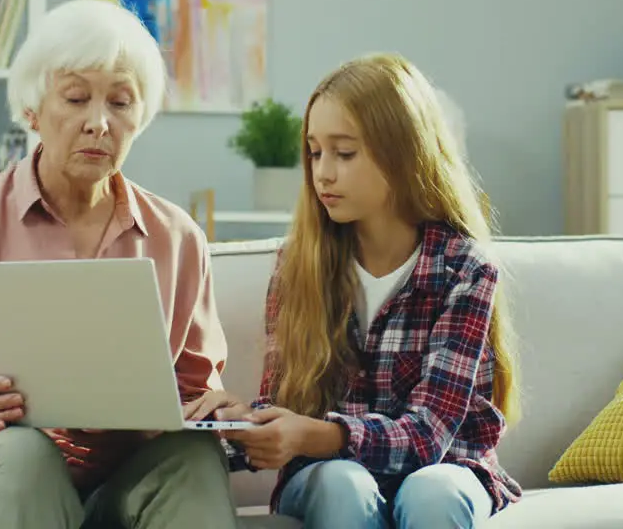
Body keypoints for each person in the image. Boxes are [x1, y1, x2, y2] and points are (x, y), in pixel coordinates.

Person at [0, 0, 240, 529]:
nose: (98, 123)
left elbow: (193, 390)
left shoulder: (177, 238)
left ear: (142, 117)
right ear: (33, 110)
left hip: (125, 480)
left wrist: (213, 412)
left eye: (120, 103)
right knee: (26, 456)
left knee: (195, 459)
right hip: (2, 470)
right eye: (75, 98)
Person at [190, 53, 523, 528]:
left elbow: (428, 436)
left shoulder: (464, 269)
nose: (323, 172)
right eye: (314, 151)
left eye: (344, 153)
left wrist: (317, 434)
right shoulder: (298, 266)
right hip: (328, 477)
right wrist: (241, 423)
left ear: (403, 154)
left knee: (434, 492)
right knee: (343, 483)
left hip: (446, 467)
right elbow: (285, 407)